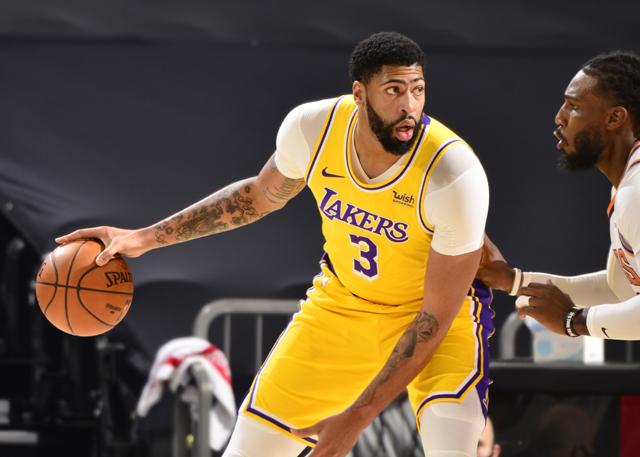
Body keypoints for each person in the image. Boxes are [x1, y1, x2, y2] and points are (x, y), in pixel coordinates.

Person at [57, 32, 492, 457]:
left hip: (435, 320)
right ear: (359, 94)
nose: (409, 106)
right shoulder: (313, 128)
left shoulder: (453, 174)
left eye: (417, 90)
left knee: (449, 447)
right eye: (394, 90)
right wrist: (143, 237)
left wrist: (356, 418)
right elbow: (257, 197)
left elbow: (435, 316)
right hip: (343, 308)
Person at [479, 51, 640, 342]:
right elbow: (622, 289)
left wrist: (573, 321)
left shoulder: (637, 191)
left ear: (615, 117)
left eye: (573, 106)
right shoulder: (626, 184)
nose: (559, 117)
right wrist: (514, 280)